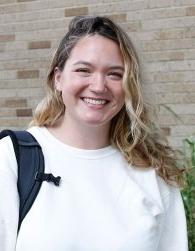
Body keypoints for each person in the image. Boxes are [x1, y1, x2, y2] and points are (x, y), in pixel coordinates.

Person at [0, 15, 188, 251]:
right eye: (84, 70)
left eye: (115, 74)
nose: (99, 86)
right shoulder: (12, 158)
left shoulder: (153, 172)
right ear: (58, 79)